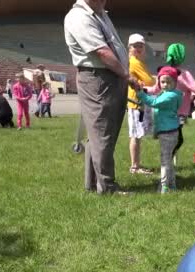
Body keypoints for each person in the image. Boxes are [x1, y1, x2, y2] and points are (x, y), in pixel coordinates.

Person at [64, 0, 131, 194]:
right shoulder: (79, 16)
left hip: (109, 76)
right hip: (98, 78)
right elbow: (101, 52)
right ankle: (107, 186)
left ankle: (93, 183)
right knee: (102, 133)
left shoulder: (100, 13)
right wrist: (125, 74)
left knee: (101, 133)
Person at [162, 43, 195, 163]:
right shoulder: (183, 74)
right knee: (177, 140)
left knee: (173, 138)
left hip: (167, 112)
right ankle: (167, 161)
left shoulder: (165, 72)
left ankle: (169, 161)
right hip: (178, 113)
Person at [136, 66, 183, 194]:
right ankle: (172, 184)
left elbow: (154, 102)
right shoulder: (168, 93)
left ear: (175, 82)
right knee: (168, 159)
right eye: (162, 82)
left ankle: (164, 186)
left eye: (169, 82)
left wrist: (141, 94)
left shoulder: (171, 96)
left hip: (169, 132)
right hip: (168, 131)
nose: (165, 85)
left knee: (164, 161)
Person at [127, 33, 156, 175]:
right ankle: (134, 166)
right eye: (135, 46)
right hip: (136, 103)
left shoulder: (138, 62)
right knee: (135, 135)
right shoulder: (135, 62)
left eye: (140, 46)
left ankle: (136, 165)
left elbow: (148, 80)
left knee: (137, 136)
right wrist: (152, 80)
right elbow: (150, 81)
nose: (138, 48)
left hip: (138, 102)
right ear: (129, 48)